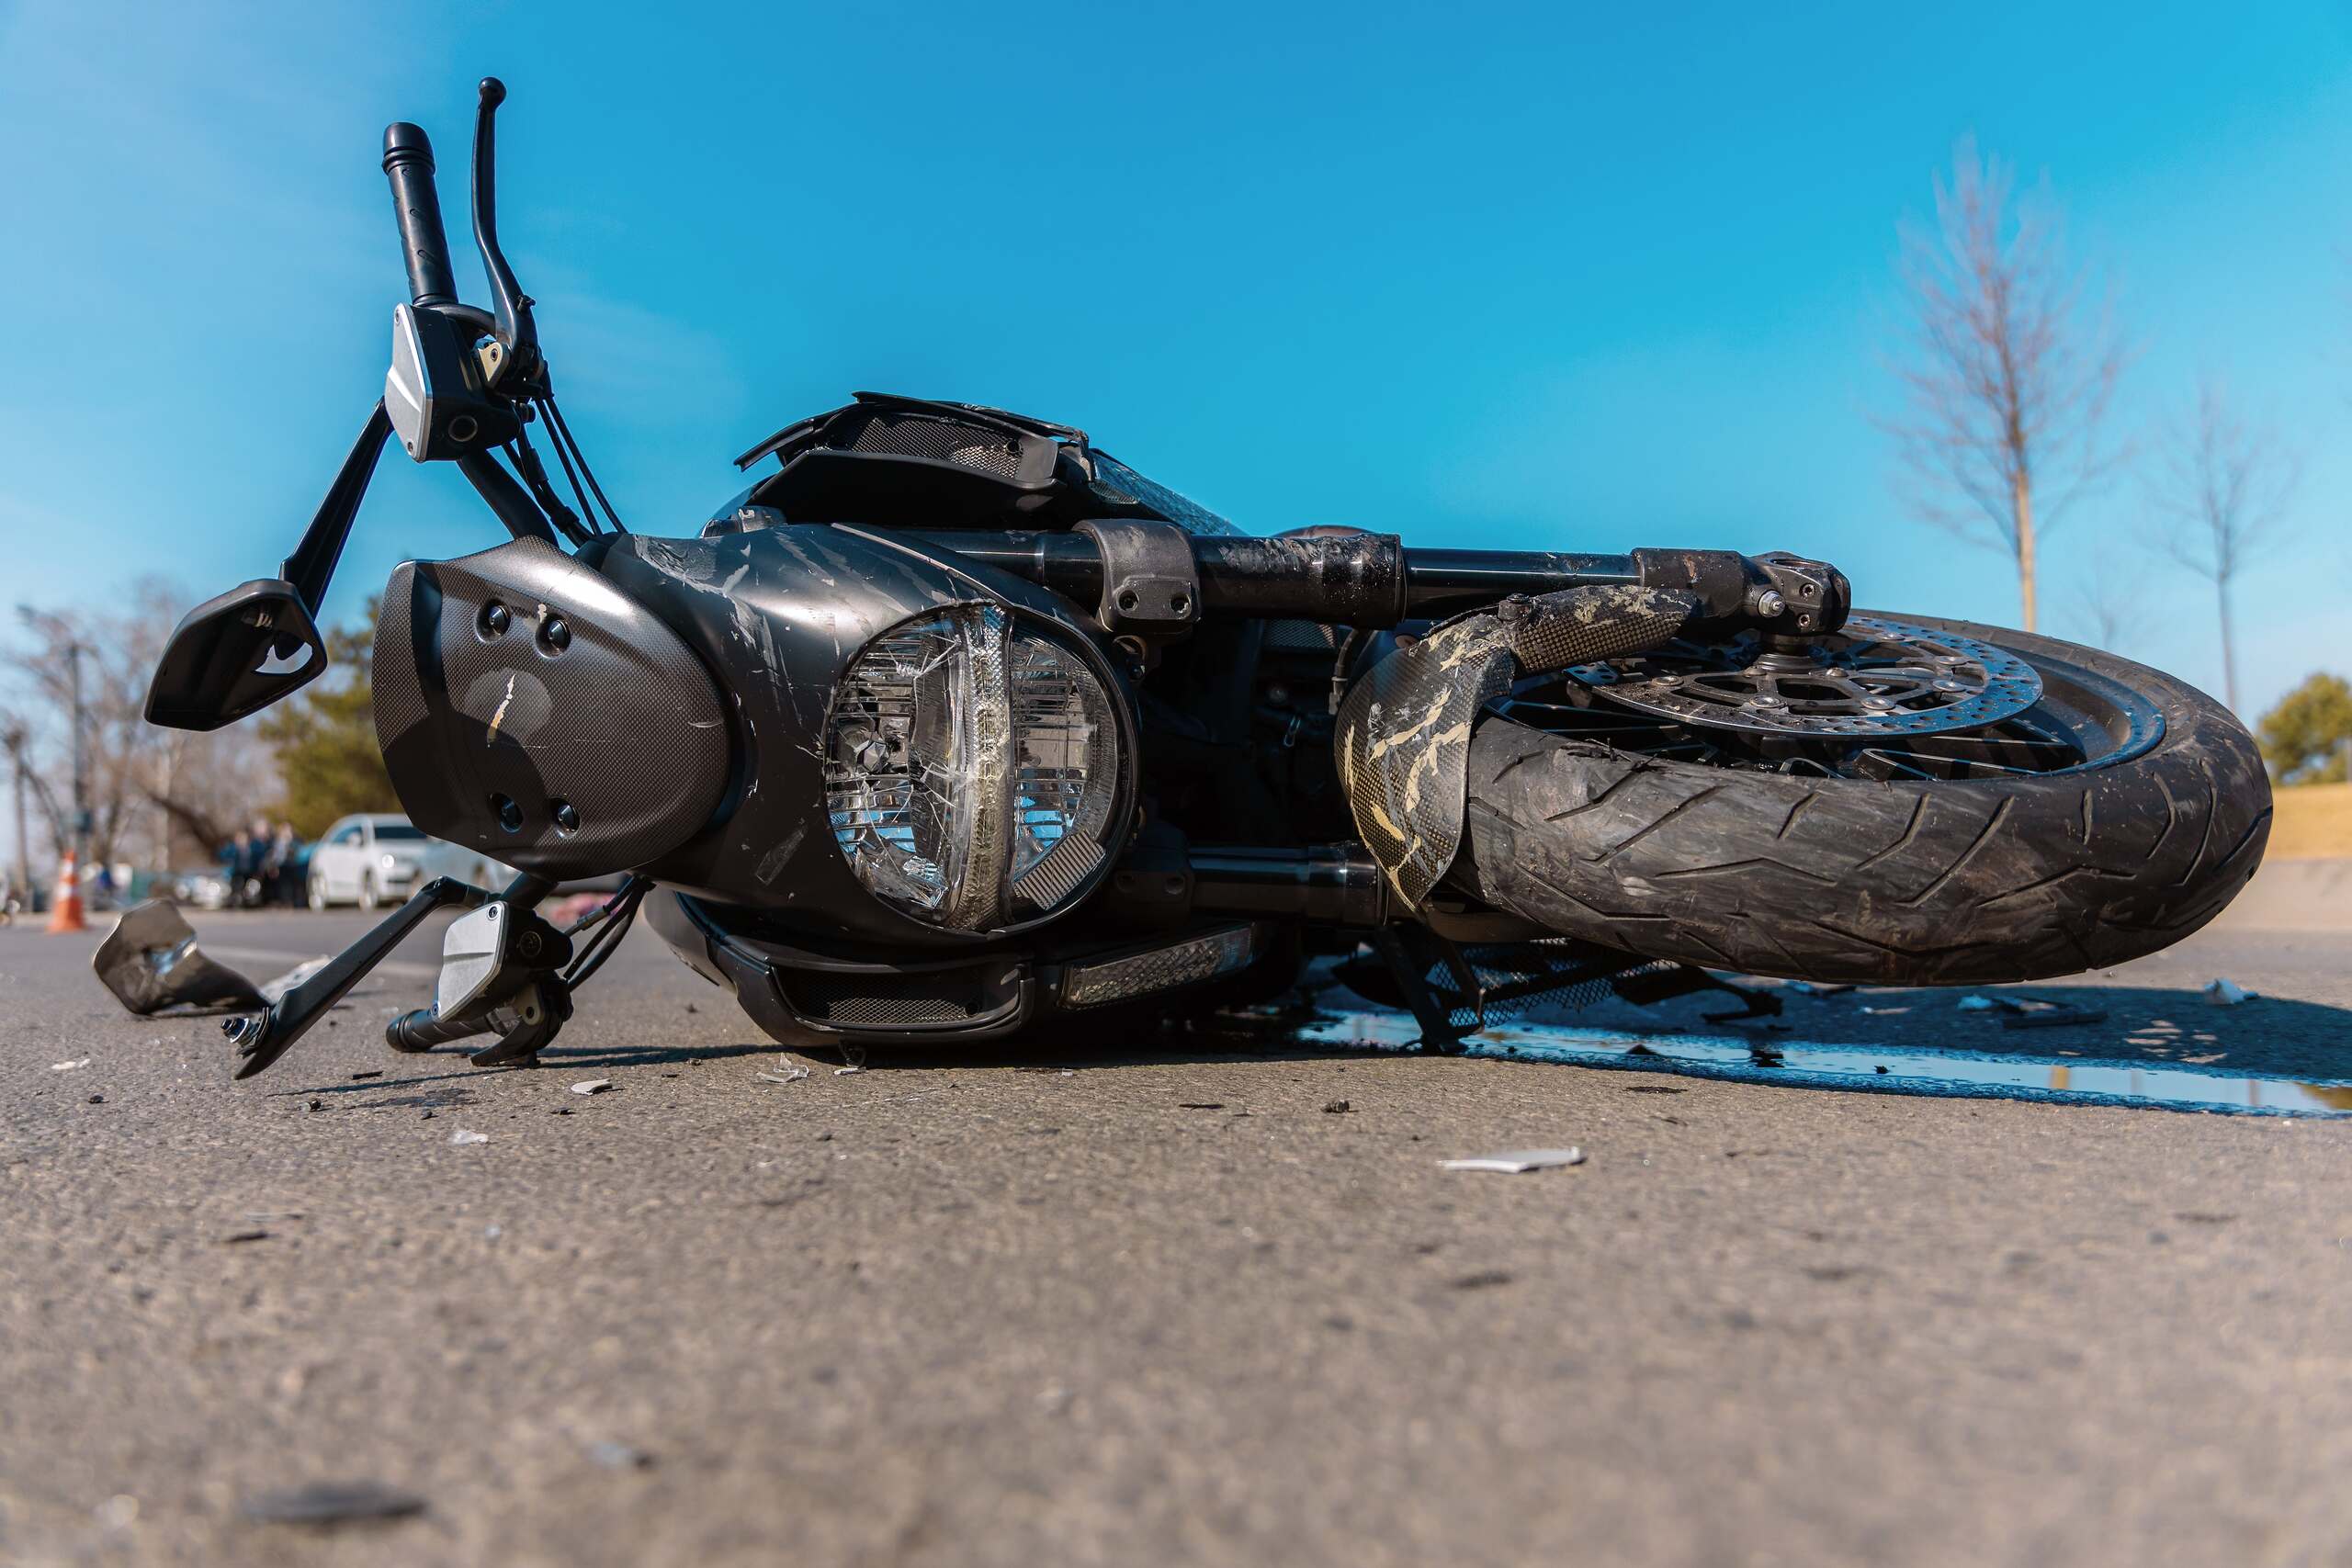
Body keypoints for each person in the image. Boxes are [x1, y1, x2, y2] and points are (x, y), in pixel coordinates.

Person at [267, 821, 301, 907]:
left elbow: (297, 850)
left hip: (292, 865)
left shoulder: (294, 840)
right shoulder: (278, 841)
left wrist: (289, 841)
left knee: (291, 884)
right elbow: (275, 854)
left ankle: (291, 901)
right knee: (282, 884)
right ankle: (284, 901)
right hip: (281, 865)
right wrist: (273, 864)